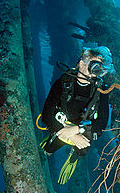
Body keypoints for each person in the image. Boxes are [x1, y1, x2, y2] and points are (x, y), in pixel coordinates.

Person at [40, 46, 115, 183]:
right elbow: (46, 115)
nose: (95, 73)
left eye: (99, 70)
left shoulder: (101, 90)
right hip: (61, 124)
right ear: (81, 63)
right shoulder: (64, 82)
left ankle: (73, 156)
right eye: (94, 67)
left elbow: (102, 124)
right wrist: (72, 136)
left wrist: (77, 130)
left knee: (83, 149)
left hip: (82, 129)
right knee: (49, 148)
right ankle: (48, 148)